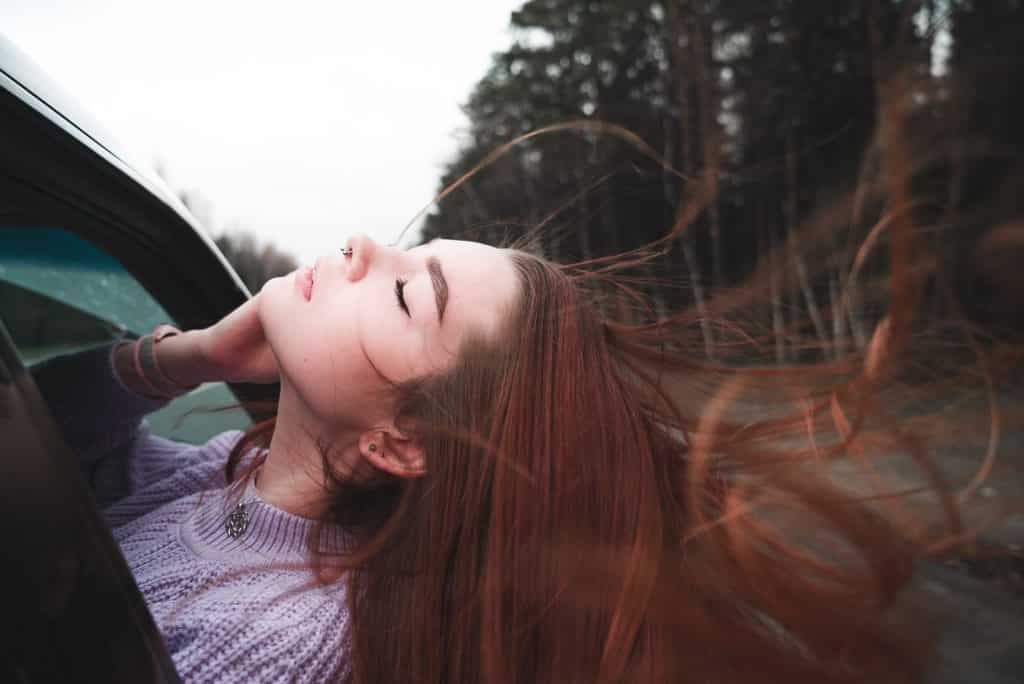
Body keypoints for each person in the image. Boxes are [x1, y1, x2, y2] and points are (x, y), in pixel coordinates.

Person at [32, 221, 1003, 683]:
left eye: (410, 294)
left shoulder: (292, 644)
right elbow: (33, 449)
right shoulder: (226, 477)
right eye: (418, 251)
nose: (367, 247)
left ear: (403, 441)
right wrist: (186, 355)